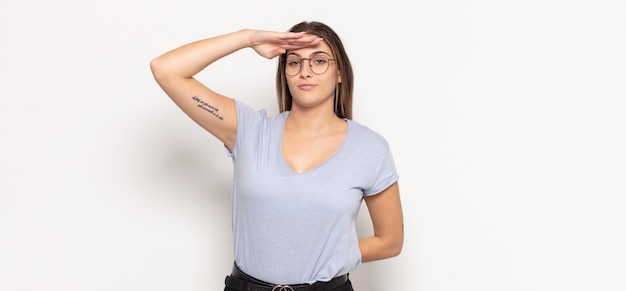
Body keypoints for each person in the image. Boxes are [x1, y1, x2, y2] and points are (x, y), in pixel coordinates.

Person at [150, 21, 404, 291]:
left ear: (340, 72)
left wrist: (327, 251)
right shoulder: (249, 131)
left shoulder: (369, 148)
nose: (305, 71)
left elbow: (389, 240)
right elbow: (166, 70)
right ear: (285, 73)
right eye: (294, 62)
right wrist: (246, 38)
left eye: (319, 61)